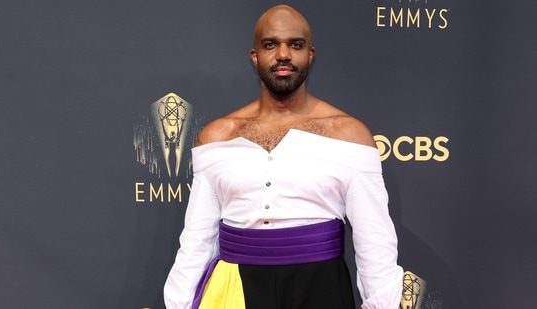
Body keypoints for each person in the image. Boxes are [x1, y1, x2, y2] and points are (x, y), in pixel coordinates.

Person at [163, 4, 403, 309]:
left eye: (296, 45)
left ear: (310, 54)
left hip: (321, 288)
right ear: (255, 56)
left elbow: (375, 246)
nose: (283, 54)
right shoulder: (217, 137)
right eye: (270, 44)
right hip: (234, 290)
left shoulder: (349, 136)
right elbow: (197, 241)